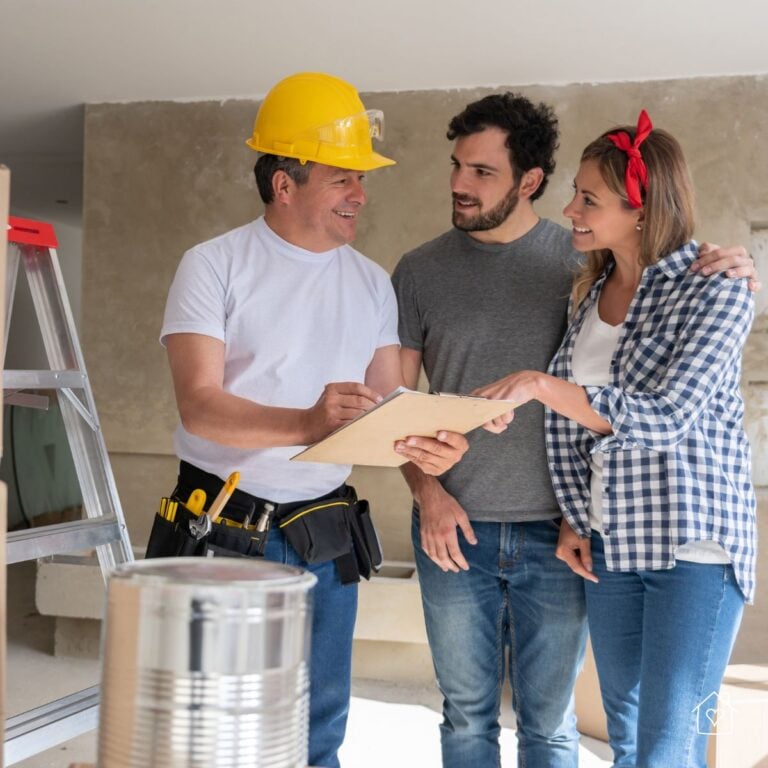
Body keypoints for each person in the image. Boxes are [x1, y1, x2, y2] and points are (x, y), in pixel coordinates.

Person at [391, 93, 758, 768]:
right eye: (456, 166)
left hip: (690, 541)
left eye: (588, 198)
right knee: (615, 739)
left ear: (639, 208)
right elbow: (571, 434)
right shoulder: (590, 288)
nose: (573, 211)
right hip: (604, 544)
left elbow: (667, 414)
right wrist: (572, 513)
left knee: (649, 745)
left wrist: (536, 385)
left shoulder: (700, 284)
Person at [160, 72, 468, 768]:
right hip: (224, 531)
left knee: (319, 729)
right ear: (285, 185)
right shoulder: (214, 267)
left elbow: (390, 405)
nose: (360, 194)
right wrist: (306, 423)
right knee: (213, 735)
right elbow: (199, 404)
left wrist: (431, 445)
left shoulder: (367, 282)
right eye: (342, 178)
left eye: (360, 178)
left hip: (323, 532)